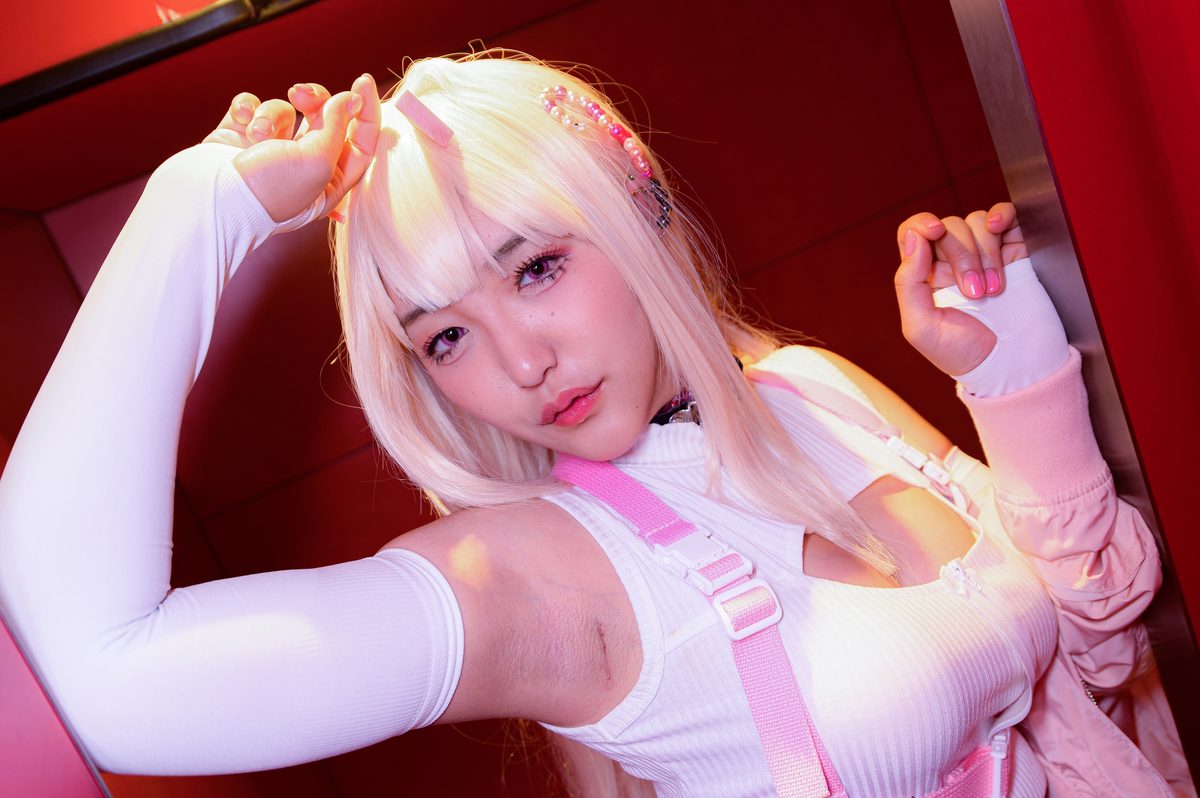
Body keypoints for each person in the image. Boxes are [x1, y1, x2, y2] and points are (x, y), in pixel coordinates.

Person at [0, 51, 1190, 797]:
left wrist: (1013, 376)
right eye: (444, 337)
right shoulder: (534, 575)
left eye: (536, 268)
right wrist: (197, 205)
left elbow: (1101, 652)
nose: (521, 363)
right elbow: (106, 678)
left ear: (639, 209)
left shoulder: (806, 389)